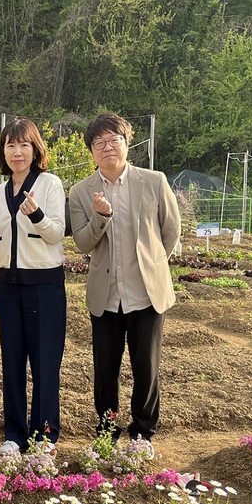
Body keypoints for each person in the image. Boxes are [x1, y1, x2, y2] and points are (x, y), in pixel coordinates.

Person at [68, 111, 181, 447]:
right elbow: (83, 242)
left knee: (146, 368)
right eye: (99, 143)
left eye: (113, 140)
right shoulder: (80, 192)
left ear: (126, 142)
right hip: (106, 294)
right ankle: (106, 431)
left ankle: (143, 432)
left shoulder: (154, 181)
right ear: (91, 150)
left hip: (147, 292)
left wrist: (154, 263)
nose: (107, 148)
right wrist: (101, 217)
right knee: (106, 370)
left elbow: (170, 231)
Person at [0, 118, 67, 456]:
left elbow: (57, 233)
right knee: (12, 362)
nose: (17, 152)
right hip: (7, 288)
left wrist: (36, 215)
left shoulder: (49, 184)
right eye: (10, 146)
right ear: (3, 151)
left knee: (45, 363)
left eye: (24, 146)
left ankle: (44, 435)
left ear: (35, 150)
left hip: (44, 287)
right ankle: (14, 435)